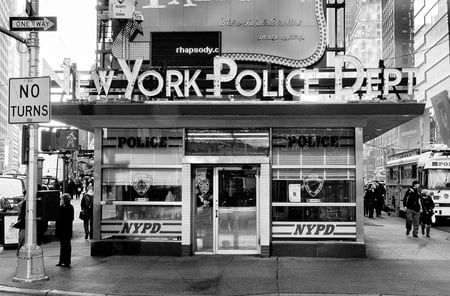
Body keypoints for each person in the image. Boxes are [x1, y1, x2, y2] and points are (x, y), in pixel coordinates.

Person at [55, 193, 74, 268]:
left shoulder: (69, 207)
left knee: (66, 245)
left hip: (66, 228)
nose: (61, 200)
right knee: (63, 245)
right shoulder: (61, 207)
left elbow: (70, 218)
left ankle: (66, 261)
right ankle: (61, 260)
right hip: (62, 229)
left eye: (61, 199)